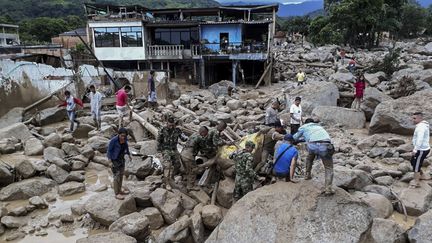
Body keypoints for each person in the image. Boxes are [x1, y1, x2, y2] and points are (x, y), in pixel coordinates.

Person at [293, 118, 335, 195]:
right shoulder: (319, 127)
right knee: (328, 167)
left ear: (305, 123)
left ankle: (307, 175)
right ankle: (328, 188)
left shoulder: (304, 127)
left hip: (312, 146)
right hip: (325, 146)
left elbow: (295, 138)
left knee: (309, 157)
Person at [157, 117, 188, 184]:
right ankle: (167, 183)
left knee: (177, 164)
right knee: (167, 166)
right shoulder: (162, 129)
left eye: (173, 125)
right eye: (170, 125)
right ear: (167, 123)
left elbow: (183, 138)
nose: (171, 127)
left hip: (174, 149)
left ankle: (171, 177)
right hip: (166, 149)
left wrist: (188, 138)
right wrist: (159, 151)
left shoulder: (177, 130)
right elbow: (159, 140)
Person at [107, 128, 132, 200]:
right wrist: (109, 161)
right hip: (114, 159)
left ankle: (120, 190)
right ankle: (116, 193)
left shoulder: (125, 139)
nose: (123, 137)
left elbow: (126, 146)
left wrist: (128, 154)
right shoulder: (113, 140)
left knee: (121, 175)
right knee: (116, 176)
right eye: (122, 136)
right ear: (118, 134)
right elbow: (109, 151)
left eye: (124, 136)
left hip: (121, 159)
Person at [410, 112, 430, 188]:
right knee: (412, 161)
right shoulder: (421, 125)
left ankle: (416, 183)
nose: (412, 120)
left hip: (421, 150)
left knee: (416, 165)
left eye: (414, 118)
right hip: (421, 148)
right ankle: (422, 175)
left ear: (420, 118)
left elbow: (420, 139)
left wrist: (415, 150)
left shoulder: (421, 127)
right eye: (412, 118)